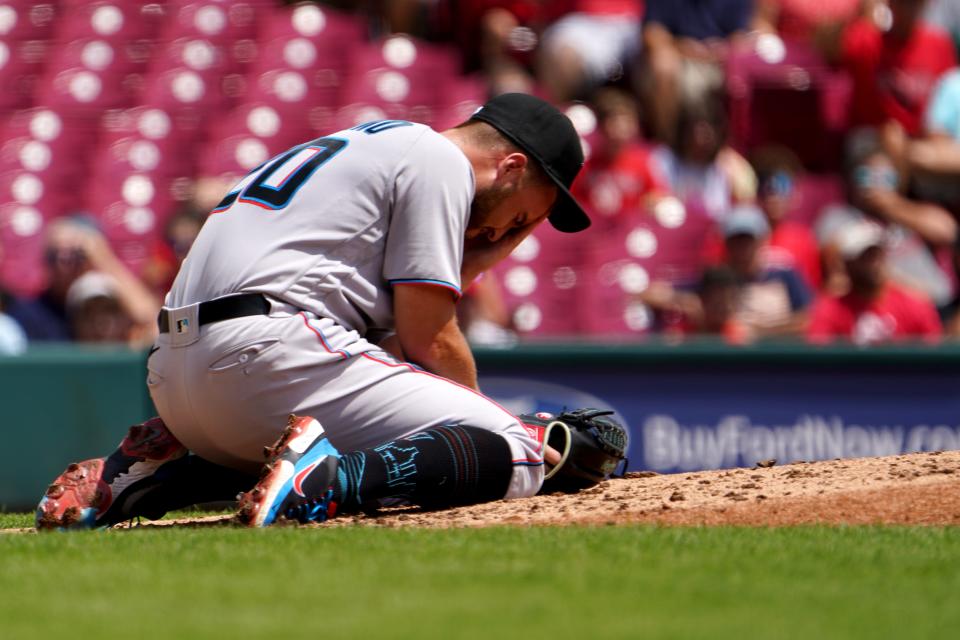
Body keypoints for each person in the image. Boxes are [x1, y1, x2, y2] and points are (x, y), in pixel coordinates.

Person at [36, 93, 592, 530]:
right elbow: (430, 337)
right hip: (268, 348)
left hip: (178, 374)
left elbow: (401, 333)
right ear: (512, 167)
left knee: (387, 429)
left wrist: (499, 241)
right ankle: (326, 478)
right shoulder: (441, 161)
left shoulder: (376, 145)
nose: (507, 232)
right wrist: (482, 423)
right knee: (516, 449)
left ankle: (144, 477)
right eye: (524, 218)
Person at [808, 220, 942, 343]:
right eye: (865, 256)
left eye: (877, 254)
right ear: (847, 264)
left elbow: (936, 354)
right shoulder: (831, 309)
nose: (873, 263)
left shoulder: (915, 305)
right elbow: (817, 351)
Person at [720, 204, 812, 337]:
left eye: (748, 240)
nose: (742, 247)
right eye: (736, 240)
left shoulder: (784, 273)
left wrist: (759, 331)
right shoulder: (719, 279)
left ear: (762, 240)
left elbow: (806, 320)